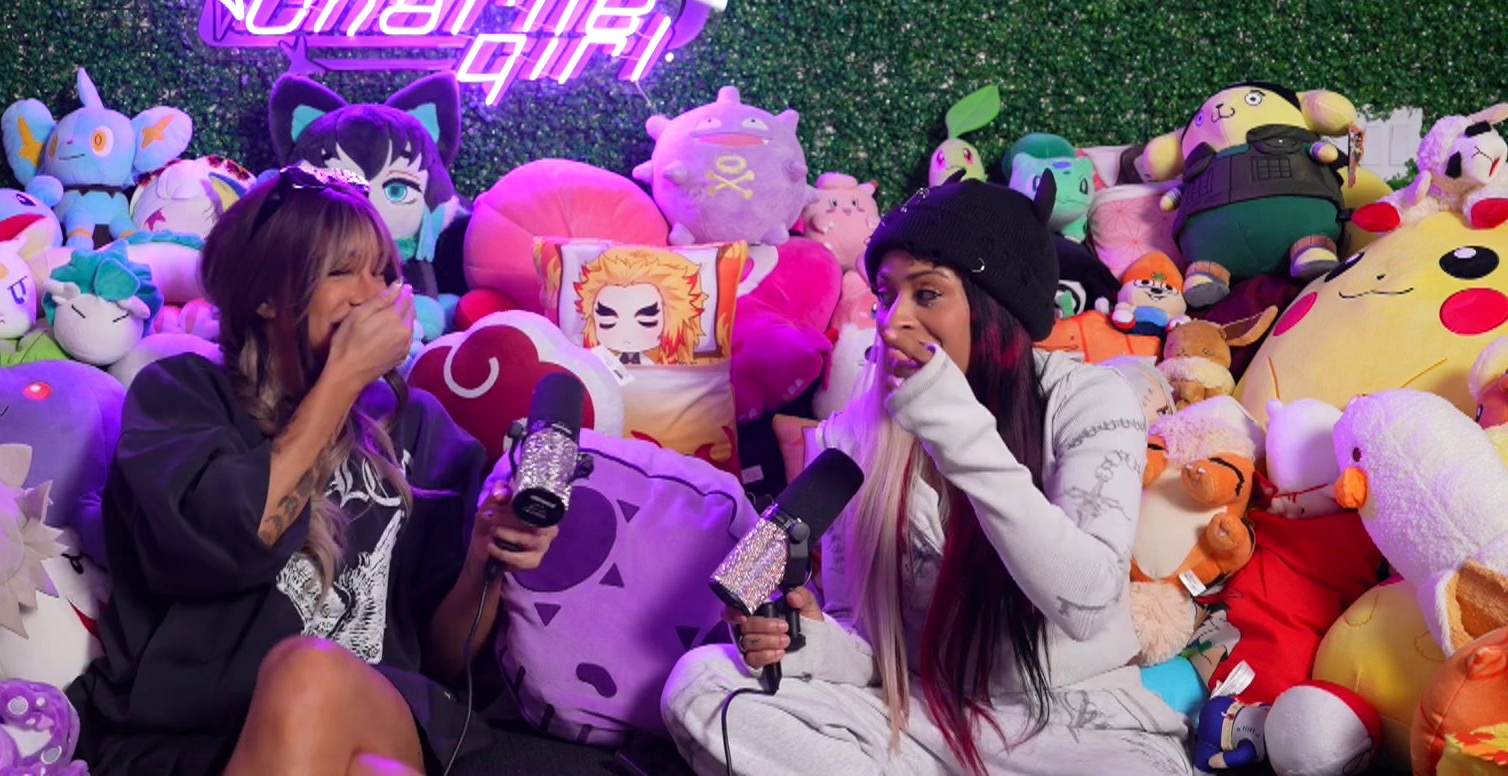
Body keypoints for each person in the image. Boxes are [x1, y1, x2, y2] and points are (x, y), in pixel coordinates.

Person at [662, 176, 1193, 775]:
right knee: (703, 683)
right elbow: (871, 650)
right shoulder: (850, 437)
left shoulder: (1091, 400)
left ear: (995, 307)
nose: (893, 323)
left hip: (1078, 727)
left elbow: (1088, 604)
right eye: (886, 295)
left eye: (929, 293)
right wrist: (810, 644)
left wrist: (955, 431)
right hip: (917, 719)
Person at [68, 162, 557, 776]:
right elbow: (232, 540)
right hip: (191, 735)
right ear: (265, 295)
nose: (371, 294)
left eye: (384, 274)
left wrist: (485, 557)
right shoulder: (181, 396)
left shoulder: (421, 430)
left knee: (313, 676)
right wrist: (343, 379)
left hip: (372, 714)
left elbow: (442, 660)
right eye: (342, 271)